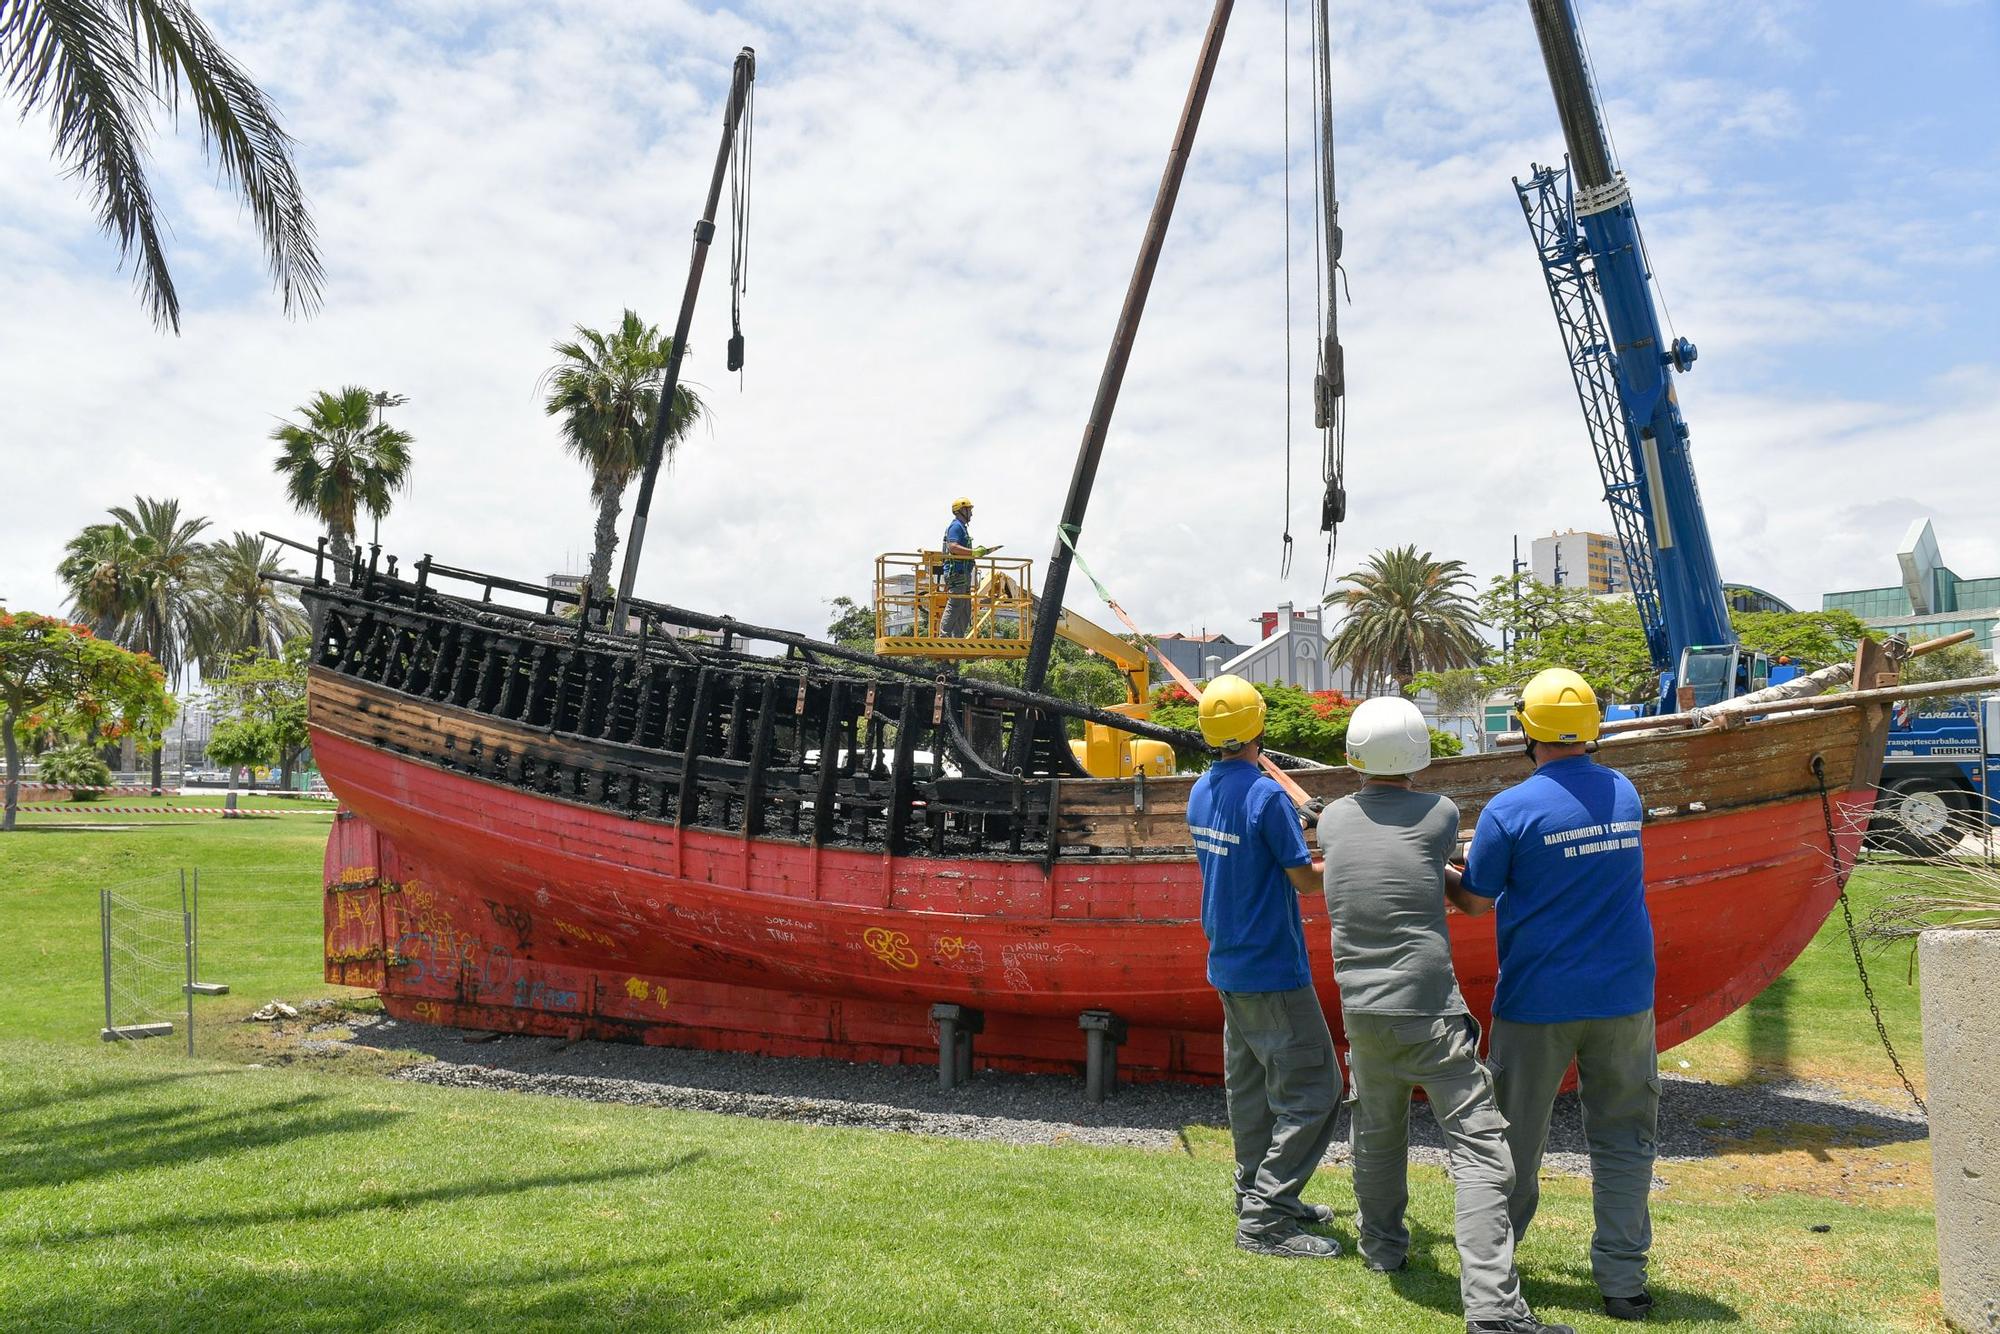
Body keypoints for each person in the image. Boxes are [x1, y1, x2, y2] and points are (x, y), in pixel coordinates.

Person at [1319, 697, 1572, 1334]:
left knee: (1377, 1133)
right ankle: (1492, 1307)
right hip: (1427, 1008)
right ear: (1419, 756)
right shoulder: (1441, 813)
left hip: (1360, 1008)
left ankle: (1382, 1248)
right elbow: (1463, 895)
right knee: (1483, 1152)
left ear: (1354, 755)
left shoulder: (1332, 820)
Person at [1459, 668, 1659, 1323]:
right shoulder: (1624, 793)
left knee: (1512, 1145)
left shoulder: (1508, 810)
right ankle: (1625, 1285)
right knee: (1624, 1140)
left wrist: (1430, 859)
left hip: (1538, 1001)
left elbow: (1475, 900)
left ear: (1525, 729)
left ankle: (1497, 1277)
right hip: (1626, 997)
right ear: (1592, 728)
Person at [1185, 675, 1342, 1259]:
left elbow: (1249, 851)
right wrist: (1352, 848)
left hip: (1227, 962)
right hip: (1273, 968)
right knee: (1315, 1090)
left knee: (1250, 1091)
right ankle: (1268, 1221)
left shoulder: (1202, 790)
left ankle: (1256, 1191)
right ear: (1259, 728)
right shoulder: (1270, 796)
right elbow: (1303, 880)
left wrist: (1292, 831)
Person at [938, 497, 986, 638]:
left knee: (965, 607)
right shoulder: (956, 526)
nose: (971, 513)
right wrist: (973, 552)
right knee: (955, 603)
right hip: (956, 572)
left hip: (963, 572)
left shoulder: (962, 528)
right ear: (961, 510)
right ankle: (944, 636)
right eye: (969, 510)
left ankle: (958, 637)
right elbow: (952, 546)